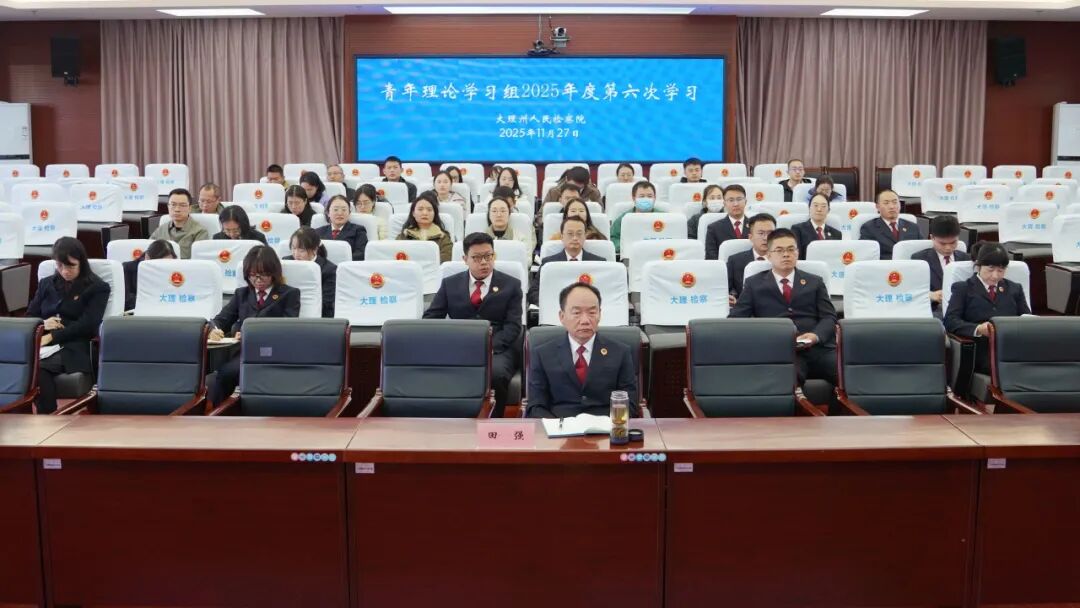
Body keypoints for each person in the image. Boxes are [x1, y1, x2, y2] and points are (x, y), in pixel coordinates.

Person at [424, 232, 523, 416]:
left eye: (488, 256)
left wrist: (490, 347)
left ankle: (494, 421)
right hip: (459, 344)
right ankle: (452, 418)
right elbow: (431, 319)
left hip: (498, 346)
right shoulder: (450, 284)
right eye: (477, 258)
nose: (484, 262)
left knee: (496, 374)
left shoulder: (511, 285)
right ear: (465, 259)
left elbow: (513, 326)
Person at [730, 227, 838, 385]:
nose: (786, 254)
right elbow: (736, 320)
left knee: (847, 374)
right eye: (779, 250)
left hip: (817, 349)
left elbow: (829, 317)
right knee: (787, 379)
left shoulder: (815, 281)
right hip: (779, 350)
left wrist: (815, 336)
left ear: (797, 253)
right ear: (768, 255)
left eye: (790, 249)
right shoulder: (754, 284)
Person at [525, 282, 638, 418]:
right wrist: (558, 427)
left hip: (605, 427)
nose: (585, 320)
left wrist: (605, 426)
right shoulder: (543, 354)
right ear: (562, 316)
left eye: (592, 312)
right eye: (576, 313)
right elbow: (536, 406)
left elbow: (629, 405)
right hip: (559, 426)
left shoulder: (620, 352)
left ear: (600, 314)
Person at [208, 246, 301, 405]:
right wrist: (213, 330)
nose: (257, 280)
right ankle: (216, 414)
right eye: (252, 275)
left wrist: (250, 333)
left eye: (263, 274)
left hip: (275, 351)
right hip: (246, 352)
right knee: (222, 374)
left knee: (232, 372)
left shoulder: (289, 294)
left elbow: (287, 328)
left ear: (273, 272)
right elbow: (220, 320)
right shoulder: (242, 294)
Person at [28, 237, 110, 413]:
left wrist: (52, 336)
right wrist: (43, 324)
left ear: (81, 262)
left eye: (71, 266)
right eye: (60, 266)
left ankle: (48, 416)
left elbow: (88, 324)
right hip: (43, 344)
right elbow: (30, 316)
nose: (65, 271)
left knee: (37, 367)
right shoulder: (46, 283)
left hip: (75, 346)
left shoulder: (97, 287)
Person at [944, 242, 1030, 373]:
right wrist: (978, 329)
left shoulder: (1014, 289)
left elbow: (1026, 319)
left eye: (1001, 270)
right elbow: (950, 321)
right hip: (981, 349)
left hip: (1012, 345)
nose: (995, 276)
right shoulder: (963, 288)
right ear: (978, 266)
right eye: (990, 269)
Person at [529, 215, 604, 305]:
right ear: (562, 236)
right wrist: (554, 305)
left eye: (579, 234)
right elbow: (533, 292)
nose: (575, 238)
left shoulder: (599, 263)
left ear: (585, 236)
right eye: (570, 234)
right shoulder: (549, 263)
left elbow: (606, 291)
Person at [912, 215, 970, 316]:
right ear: (932, 238)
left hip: (962, 311)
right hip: (933, 310)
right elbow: (912, 290)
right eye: (942, 244)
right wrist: (930, 295)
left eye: (953, 242)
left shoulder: (966, 259)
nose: (948, 248)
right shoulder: (919, 260)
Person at [284, 227, 336, 318]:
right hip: (288, 313)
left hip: (318, 316)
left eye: (302, 250)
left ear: (315, 249)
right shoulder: (286, 262)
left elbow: (326, 302)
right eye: (293, 248)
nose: (296, 254)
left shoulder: (329, 270)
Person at [860, 188, 921, 259]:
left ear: (900, 205)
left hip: (909, 264)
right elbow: (867, 254)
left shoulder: (913, 227)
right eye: (886, 203)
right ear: (877, 207)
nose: (892, 207)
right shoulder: (869, 228)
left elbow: (922, 250)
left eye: (895, 202)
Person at [727, 213, 776, 301]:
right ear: (750, 237)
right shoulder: (734, 261)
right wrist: (732, 297)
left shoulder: (784, 260)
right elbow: (727, 289)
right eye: (761, 233)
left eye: (770, 233)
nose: (766, 238)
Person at [150, 188, 209, 258]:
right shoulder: (161, 230)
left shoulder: (200, 232)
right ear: (168, 207)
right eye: (173, 204)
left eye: (182, 205)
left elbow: (199, 259)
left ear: (190, 208)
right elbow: (148, 253)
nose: (177, 209)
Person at [397, 191, 453, 262]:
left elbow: (445, 261)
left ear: (434, 214)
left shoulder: (443, 238)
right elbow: (397, 257)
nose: (425, 213)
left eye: (429, 210)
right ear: (413, 213)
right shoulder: (404, 236)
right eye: (420, 209)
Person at [122, 239, 175, 311]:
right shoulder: (126, 269)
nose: (165, 268)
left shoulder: (172, 270)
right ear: (147, 258)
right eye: (162, 263)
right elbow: (126, 300)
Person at [610, 180, 656, 253]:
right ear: (634, 198)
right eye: (642, 196)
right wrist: (625, 248)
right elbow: (613, 238)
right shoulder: (624, 218)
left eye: (649, 196)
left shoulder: (665, 217)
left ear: (654, 198)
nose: (646, 199)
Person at [704, 185, 750, 260]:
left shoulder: (755, 226)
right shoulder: (714, 229)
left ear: (746, 201)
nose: (736, 204)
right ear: (724, 203)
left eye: (739, 199)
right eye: (731, 200)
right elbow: (711, 258)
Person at [316, 195, 367, 261]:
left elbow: (361, 254)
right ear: (328, 213)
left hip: (347, 265)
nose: (340, 213)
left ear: (349, 213)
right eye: (335, 210)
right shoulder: (318, 232)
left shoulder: (358, 231)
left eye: (344, 210)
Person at [792, 194, 841, 259]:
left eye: (823, 206)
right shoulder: (797, 230)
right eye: (815, 205)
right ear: (809, 208)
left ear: (828, 210)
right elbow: (797, 257)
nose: (819, 209)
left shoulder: (837, 234)